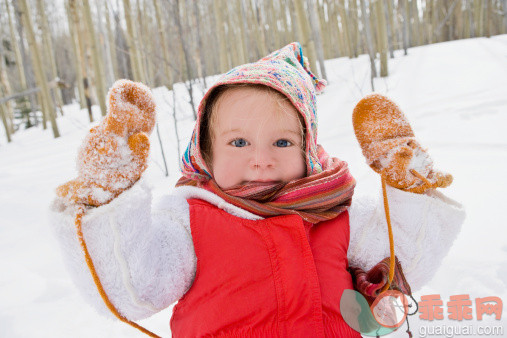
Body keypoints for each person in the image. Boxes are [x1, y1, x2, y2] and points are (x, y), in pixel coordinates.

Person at [50, 42, 465, 337]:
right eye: (239, 142)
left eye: (282, 142)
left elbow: (404, 261)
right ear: (205, 154)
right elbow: (134, 289)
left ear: (309, 152)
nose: (261, 159)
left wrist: (409, 190)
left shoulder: (337, 211)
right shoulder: (189, 220)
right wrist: (109, 197)